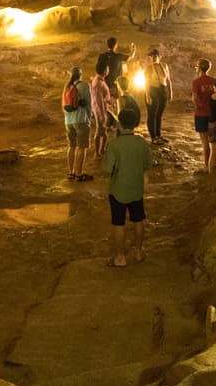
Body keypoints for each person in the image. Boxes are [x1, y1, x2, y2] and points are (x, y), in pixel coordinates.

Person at [101, 107, 152, 267]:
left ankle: (120, 257)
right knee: (138, 220)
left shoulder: (114, 145)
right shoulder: (141, 143)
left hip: (118, 190)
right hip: (136, 189)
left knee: (119, 223)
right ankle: (138, 251)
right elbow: (147, 165)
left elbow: (107, 170)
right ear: (135, 124)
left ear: (120, 124)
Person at [63, 67, 94, 181]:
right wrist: (89, 118)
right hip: (80, 120)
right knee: (82, 147)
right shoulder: (84, 85)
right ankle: (79, 174)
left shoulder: (67, 87)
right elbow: (89, 104)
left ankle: (71, 172)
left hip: (68, 121)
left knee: (71, 146)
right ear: (80, 75)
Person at [191, 58, 216, 171]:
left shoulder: (196, 82)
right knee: (214, 141)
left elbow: (195, 98)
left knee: (205, 142)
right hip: (212, 114)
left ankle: (207, 166)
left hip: (201, 114)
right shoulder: (213, 81)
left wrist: (198, 106)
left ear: (200, 68)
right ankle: (213, 164)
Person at [144, 49, 172, 144]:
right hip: (153, 90)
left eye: (155, 56)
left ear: (159, 57)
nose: (153, 58)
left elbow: (168, 80)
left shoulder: (164, 66)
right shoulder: (148, 68)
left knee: (159, 114)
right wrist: (148, 95)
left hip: (162, 90)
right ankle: (153, 137)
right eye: (151, 57)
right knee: (152, 114)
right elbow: (146, 83)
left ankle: (159, 135)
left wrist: (170, 92)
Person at [90, 60, 113, 159]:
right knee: (99, 132)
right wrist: (101, 115)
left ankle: (101, 150)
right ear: (104, 70)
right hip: (100, 111)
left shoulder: (100, 80)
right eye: (107, 68)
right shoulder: (98, 83)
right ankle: (97, 153)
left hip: (102, 109)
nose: (108, 70)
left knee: (103, 132)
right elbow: (98, 100)